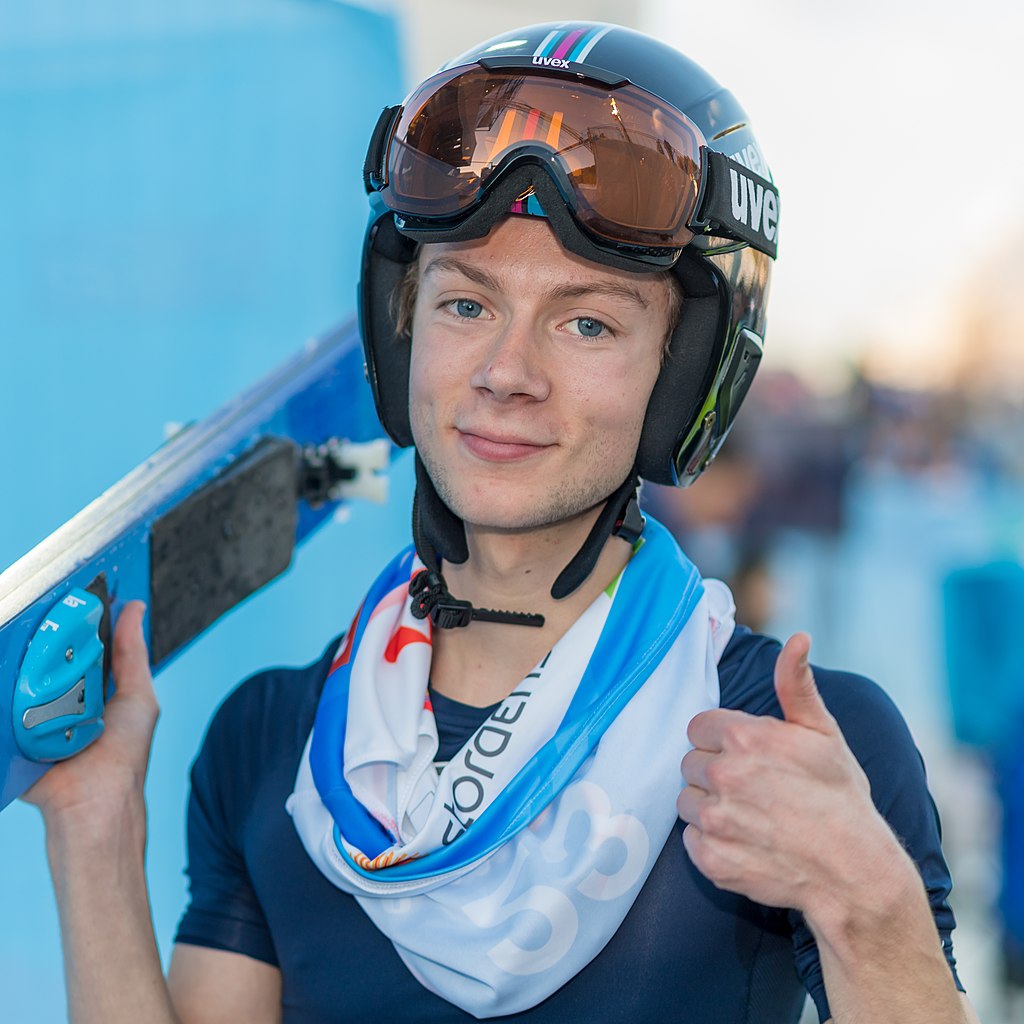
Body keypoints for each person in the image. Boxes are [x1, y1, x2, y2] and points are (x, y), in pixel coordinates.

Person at [24, 21, 979, 1024]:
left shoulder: (791, 747)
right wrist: (94, 830)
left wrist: (870, 905)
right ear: (401, 330)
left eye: (587, 322)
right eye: (466, 305)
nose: (507, 373)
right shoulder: (272, 743)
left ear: (684, 375)